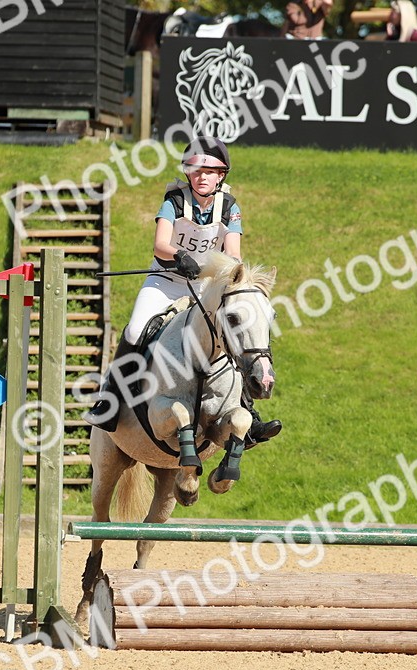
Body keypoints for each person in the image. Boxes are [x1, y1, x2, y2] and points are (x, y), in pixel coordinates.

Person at [85, 137, 281, 448]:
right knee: (136, 330)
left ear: (221, 176)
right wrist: (180, 257)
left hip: (205, 287)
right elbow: (160, 244)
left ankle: (247, 411)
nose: (202, 176)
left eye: (210, 171)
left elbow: (233, 254)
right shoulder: (174, 201)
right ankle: (110, 400)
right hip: (166, 280)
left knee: (231, 335)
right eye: (196, 171)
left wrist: (224, 275)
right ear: (188, 174)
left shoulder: (230, 207)